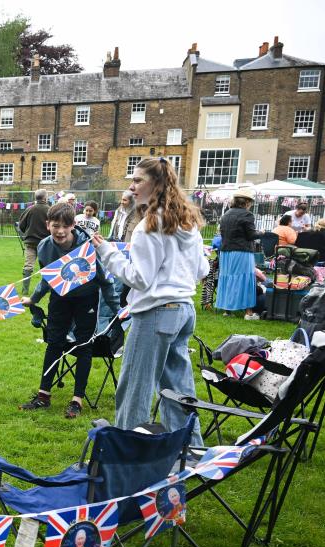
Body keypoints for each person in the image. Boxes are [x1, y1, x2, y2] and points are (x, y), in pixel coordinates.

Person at [93, 157, 210, 445]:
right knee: (177, 387)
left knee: (135, 387)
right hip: (184, 310)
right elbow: (202, 271)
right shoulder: (187, 222)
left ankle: (127, 451)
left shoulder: (149, 226)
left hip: (157, 314)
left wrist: (108, 253)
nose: (131, 187)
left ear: (156, 184)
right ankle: (190, 450)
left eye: (137, 180)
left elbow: (140, 279)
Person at [20, 202, 118, 419]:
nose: (60, 231)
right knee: (54, 343)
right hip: (60, 298)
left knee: (84, 346)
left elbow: (104, 280)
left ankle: (77, 401)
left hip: (86, 299)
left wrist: (116, 309)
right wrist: (34, 299)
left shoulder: (87, 246)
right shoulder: (44, 247)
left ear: (73, 225)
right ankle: (43, 396)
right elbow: (47, 278)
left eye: (65, 226)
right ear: (48, 225)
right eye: (55, 226)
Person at [215, 186, 259, 320]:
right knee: (245, 279)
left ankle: (227, 310)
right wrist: (261, 233)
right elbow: (251, 235)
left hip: (226, 252)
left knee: (228, 278)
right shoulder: (247, 215)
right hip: (242, 251)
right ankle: (248, 312)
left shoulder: (226, 214)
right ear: (246, 202)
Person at [17, 190, 50, 295]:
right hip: (45, 243)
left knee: (28, 266)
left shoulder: (29, 210)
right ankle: (47, 289)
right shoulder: (50, 210)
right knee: (46, 266)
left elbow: (21, 226)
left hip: (30, 243)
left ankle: (25, 290)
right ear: (45, 198)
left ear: (36, 198)